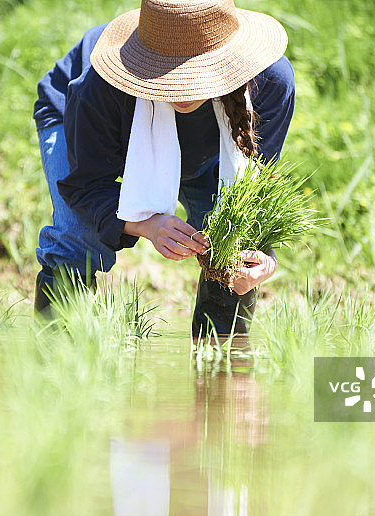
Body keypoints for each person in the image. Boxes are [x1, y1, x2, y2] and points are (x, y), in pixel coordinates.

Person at [32, 0, 295, 337]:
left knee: (232, 240)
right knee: (78, 235)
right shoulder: (99, 87)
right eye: (168, 74)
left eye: (191, 74)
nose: (180, 89)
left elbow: (253, 190)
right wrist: (148, 225)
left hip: (203, 150)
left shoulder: (269, 81)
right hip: (86, 122)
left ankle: (218, 361)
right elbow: (86, 185)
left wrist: (263, 258)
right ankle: (55, 358)